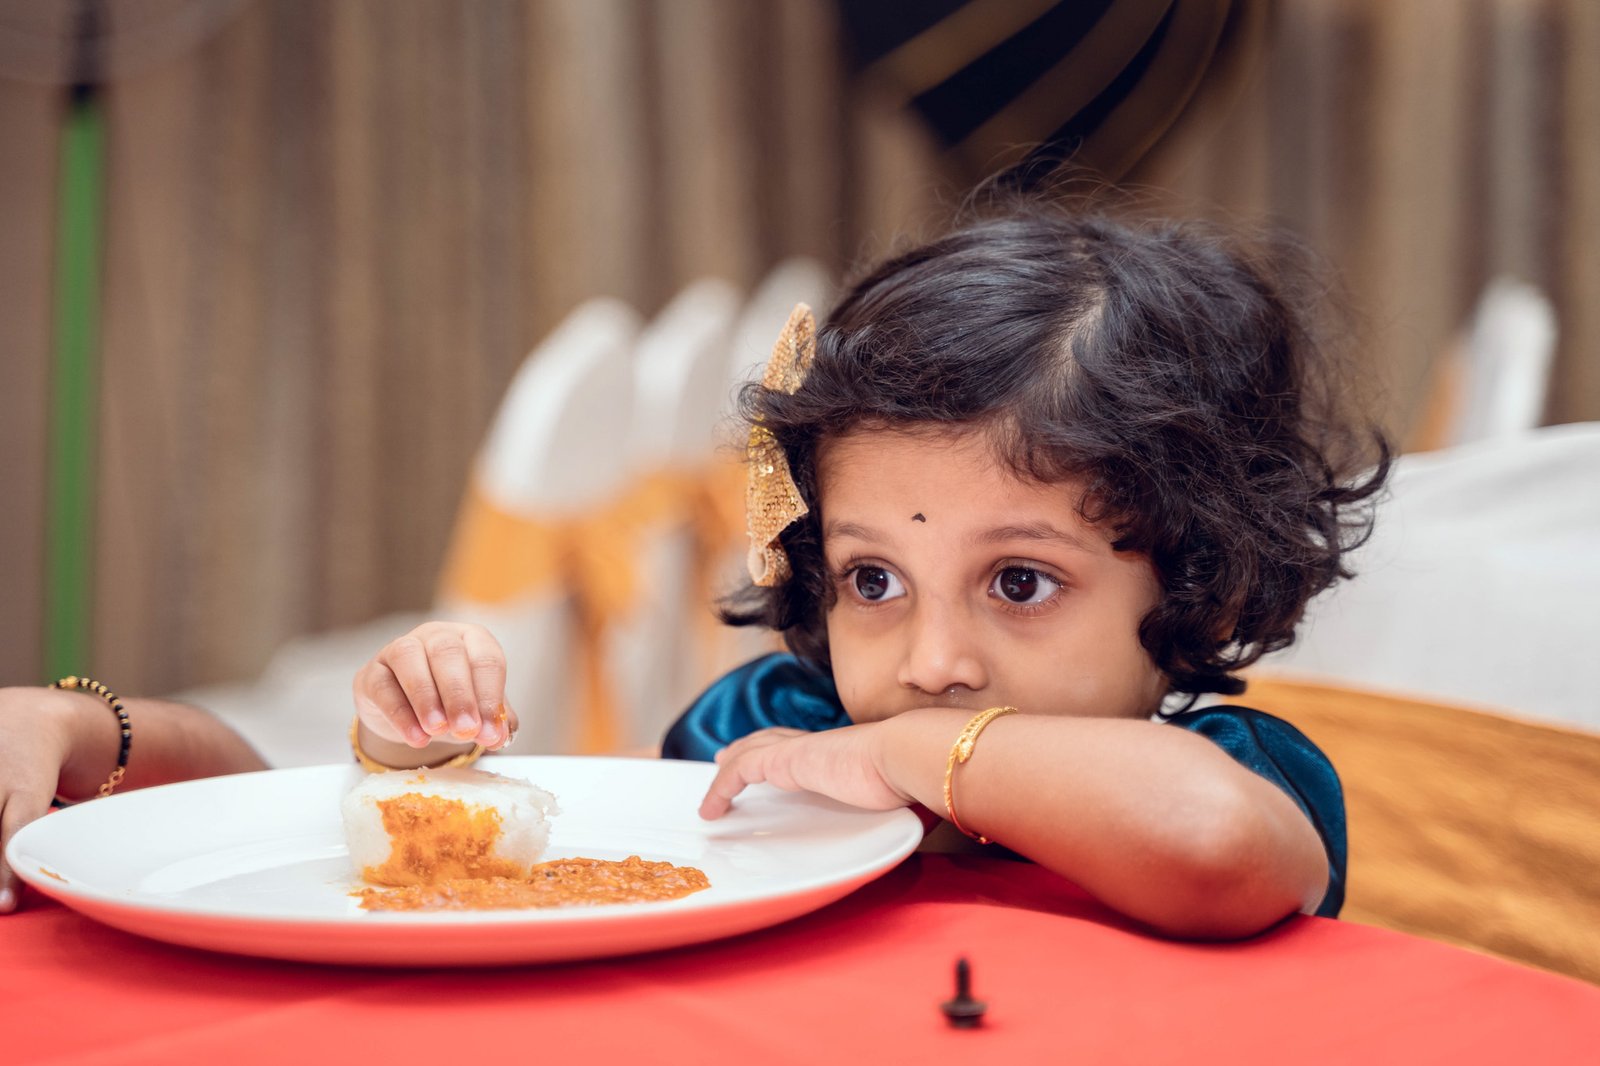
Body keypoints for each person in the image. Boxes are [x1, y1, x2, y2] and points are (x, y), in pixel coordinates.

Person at [1, 200, 1389, 939]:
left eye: (1020, 582)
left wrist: (909, 754)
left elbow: (1214, 848)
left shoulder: (1232, 769)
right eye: (874, 581)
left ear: (1198, 585)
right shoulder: (764, 730)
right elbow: (285, 839)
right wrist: (411, 769)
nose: (932, 660)